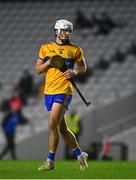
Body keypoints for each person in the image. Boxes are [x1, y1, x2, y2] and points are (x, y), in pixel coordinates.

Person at [36, 19, 88, 171]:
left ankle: (50, 160)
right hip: (48, 92)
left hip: (64, 90)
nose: (66, 33)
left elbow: (83, 67)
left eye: (69, 31)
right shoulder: (45, 48)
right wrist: (49, 62)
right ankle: (80, 155)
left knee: (52, 123)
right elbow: (38, 70)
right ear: (56, 31)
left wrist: (75, 71)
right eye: (64, 30)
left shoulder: (75, 50)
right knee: (62, 129)